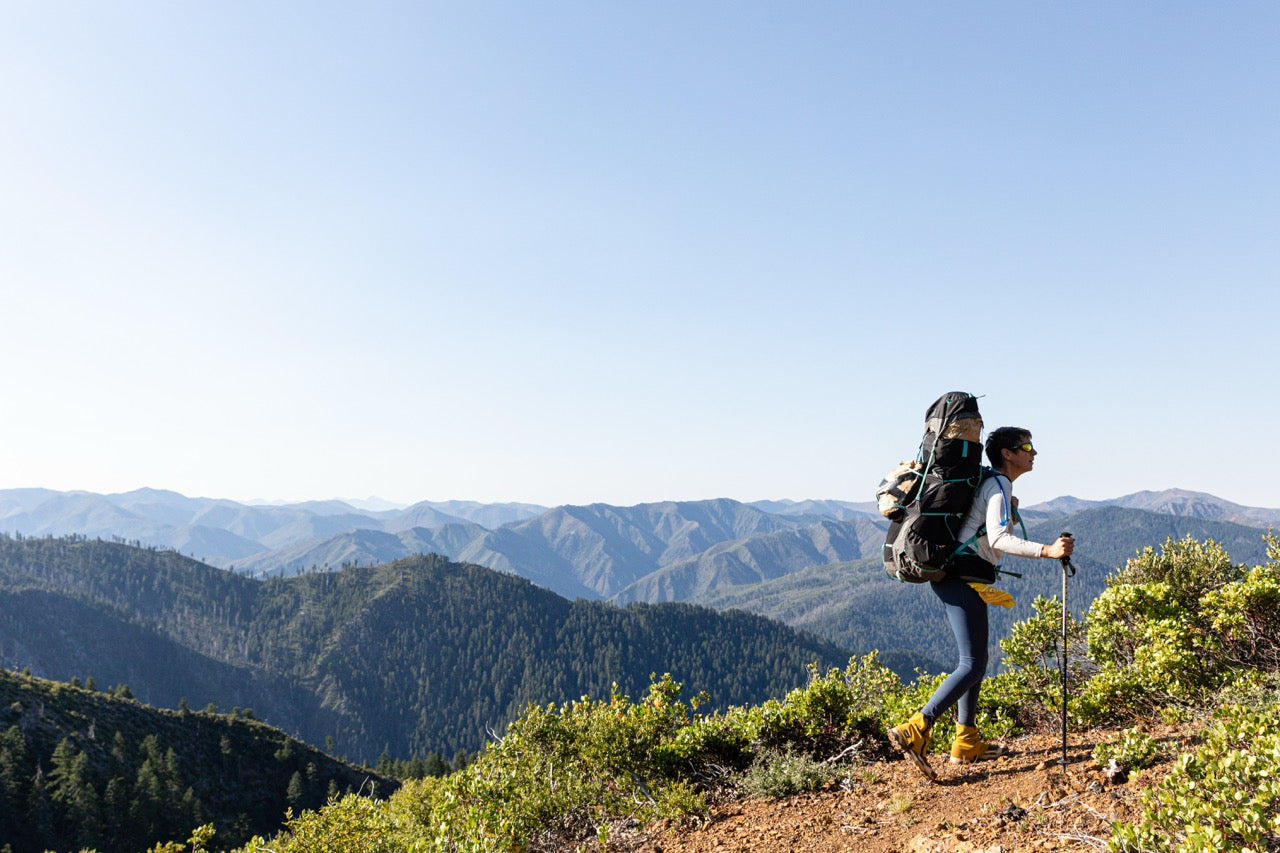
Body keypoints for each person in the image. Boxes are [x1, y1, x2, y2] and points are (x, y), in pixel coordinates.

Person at [887, 426, 1074, 780]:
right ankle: (915, 728)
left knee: (975, 662)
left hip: (958, 577)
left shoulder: (992, 483)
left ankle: (966, 742)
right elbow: (1000, 539)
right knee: (972, 664)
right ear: (1007, 453)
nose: (1034, 453)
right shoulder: (998, 485)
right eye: (1027, 446)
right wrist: (1047, 551)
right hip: (962, 578)